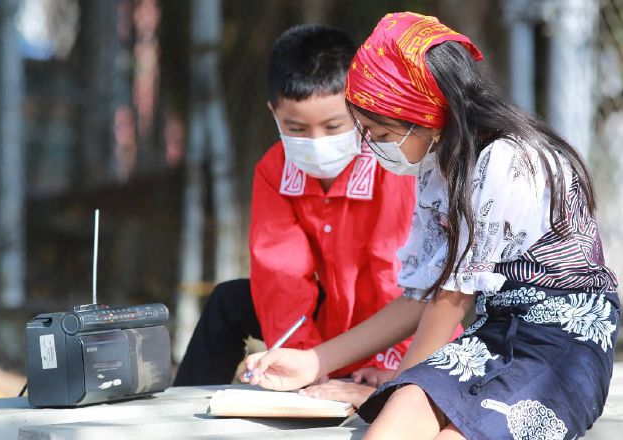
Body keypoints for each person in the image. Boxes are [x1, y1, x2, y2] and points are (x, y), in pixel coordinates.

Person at [242, 11, 620, 440]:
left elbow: (451, 301)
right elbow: (420, 297)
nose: (373, 148)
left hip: (558, 353)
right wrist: (314, 361)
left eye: (380, 134)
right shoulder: (434, 165)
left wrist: (390, 389)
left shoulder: (507, 160)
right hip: (490, 337)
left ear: (422, 113)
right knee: (388, 430)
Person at [173, 24, 419, 388]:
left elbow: (397, 274)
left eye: (334, 125)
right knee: (229, 299)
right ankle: (186, 412)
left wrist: (396, 361)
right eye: (297, 129)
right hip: (322, 325)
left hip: (390, 328)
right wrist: (306, 363)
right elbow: (280, 276)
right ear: (274, 113)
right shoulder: (274, 169)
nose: (316, 141)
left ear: (361, 108)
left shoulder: (392, 164)